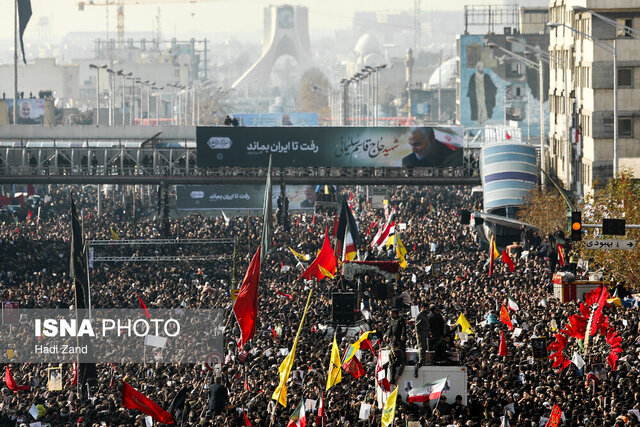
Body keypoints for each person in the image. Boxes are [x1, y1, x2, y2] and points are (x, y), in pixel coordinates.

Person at [415, 302, 430, 375]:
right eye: (425, 307)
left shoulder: (426, 315)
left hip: (425, 333)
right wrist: (418, 333)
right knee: (421, 347)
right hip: (421, 333)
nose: (426, 309)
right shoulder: (419, 315)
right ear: (422, 308)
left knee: (424, 347)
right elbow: (417, 325)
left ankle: (423, 360)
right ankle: (421, 361)